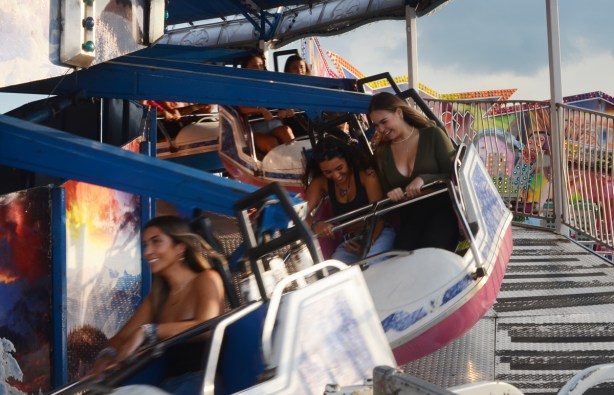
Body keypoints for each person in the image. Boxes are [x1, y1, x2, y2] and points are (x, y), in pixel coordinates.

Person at [90, 215, 226, 394]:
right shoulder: (158, 297)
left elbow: (208, 327)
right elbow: (121, 337)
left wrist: (149, 331)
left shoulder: (207, 278)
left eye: (156, 242)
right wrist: (107, 354)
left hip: (201, 383)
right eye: (146, 245)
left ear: (180, 247)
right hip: (169, 385)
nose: (148, 252)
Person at [368, 92, 459, 252]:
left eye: (384, 122)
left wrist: (424, 179)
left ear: (399, 113)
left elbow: (454, 175)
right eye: (376, 125)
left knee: (432, 246)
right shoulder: (382, 153)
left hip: (443, 210)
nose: (381, 129)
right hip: (410, 217)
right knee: (402, 253)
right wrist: (392, 193)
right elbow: (384, 190)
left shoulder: (433, 135)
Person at [303, 134, 395, 263]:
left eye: (339, 168)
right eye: (327, 172)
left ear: (347, 159)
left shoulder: (366, 175)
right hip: (350, 241)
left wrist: (368, 243)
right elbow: (300, 213)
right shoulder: (321, 183)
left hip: (378, 234)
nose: (336, 176)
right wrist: (315, 224)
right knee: (334, 270)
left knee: (371, 263)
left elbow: (379, 216)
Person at [237, 54, 295, 154]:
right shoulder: (242, 88)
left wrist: (286, 110)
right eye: (255, 66)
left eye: (260, 65)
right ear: (245, 68)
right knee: (271, 142)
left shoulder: (271, 85)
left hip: (275, 124)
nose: (259, 68)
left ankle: (298, 164)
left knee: (286, 131)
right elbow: (241, 108)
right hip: (255, 128)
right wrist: (260, 110)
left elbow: (283, 101)